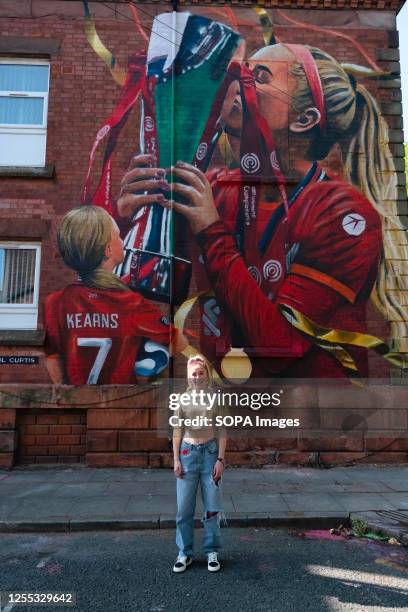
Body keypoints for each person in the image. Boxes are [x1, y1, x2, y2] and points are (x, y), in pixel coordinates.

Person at [116, 43, 406, 379]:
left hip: (312, 419)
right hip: (222, 409)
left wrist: (211, 231)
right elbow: (149, 286)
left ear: (304, 119)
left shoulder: (341, 211)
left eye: (258, 78)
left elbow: (280, 345)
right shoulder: (213, 188)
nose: (234, 84)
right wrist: (130, 218)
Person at [44, 205, 187, 385]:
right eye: (119, 236)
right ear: (108, 250)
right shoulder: (130, 302)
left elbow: (52, 359)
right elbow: (179, 342)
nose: (123, 241)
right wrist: (148, 354)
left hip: (78, 406)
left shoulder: (55, 303)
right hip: (119, 405)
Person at [171, 354, 227, 573]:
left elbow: (222, 431)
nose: (197, 377)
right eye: (193, 374)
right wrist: (176, 459)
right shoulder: (182, 400)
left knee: (212, 508)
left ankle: (212, 551)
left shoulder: (215, 399)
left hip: (210, 455)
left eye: (201, 373)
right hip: (187, 454)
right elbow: (177, 431)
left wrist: (221, 460)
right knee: (184, 510)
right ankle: (184, 553)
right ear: (188, 377)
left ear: (207, 375)